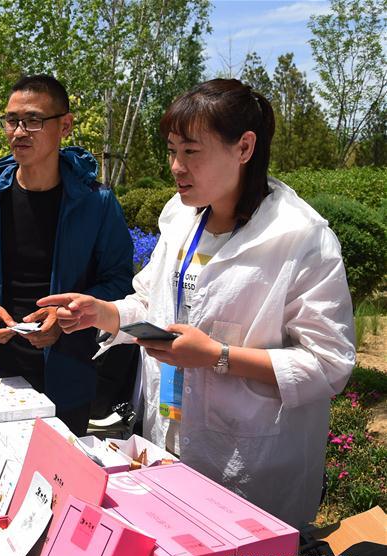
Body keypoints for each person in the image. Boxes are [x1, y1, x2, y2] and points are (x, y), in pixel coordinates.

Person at [39, 79, 355, 527]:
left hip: (250, 460)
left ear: (244, 148)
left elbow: (329, 363)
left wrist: (218, 357)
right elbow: (152, 302)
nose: (176, 167)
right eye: (171, 151)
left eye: (191, 152)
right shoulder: (182, 216)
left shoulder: (302, 239)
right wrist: (103, 313)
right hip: (167, 433)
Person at [0, 75, 133, 435]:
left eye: (33, 120)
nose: (19, 132)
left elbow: (118, 280)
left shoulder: (96, 204)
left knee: (59, 486)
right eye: (11, 121)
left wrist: (66, 317)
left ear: (64, 125)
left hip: (66, 376)